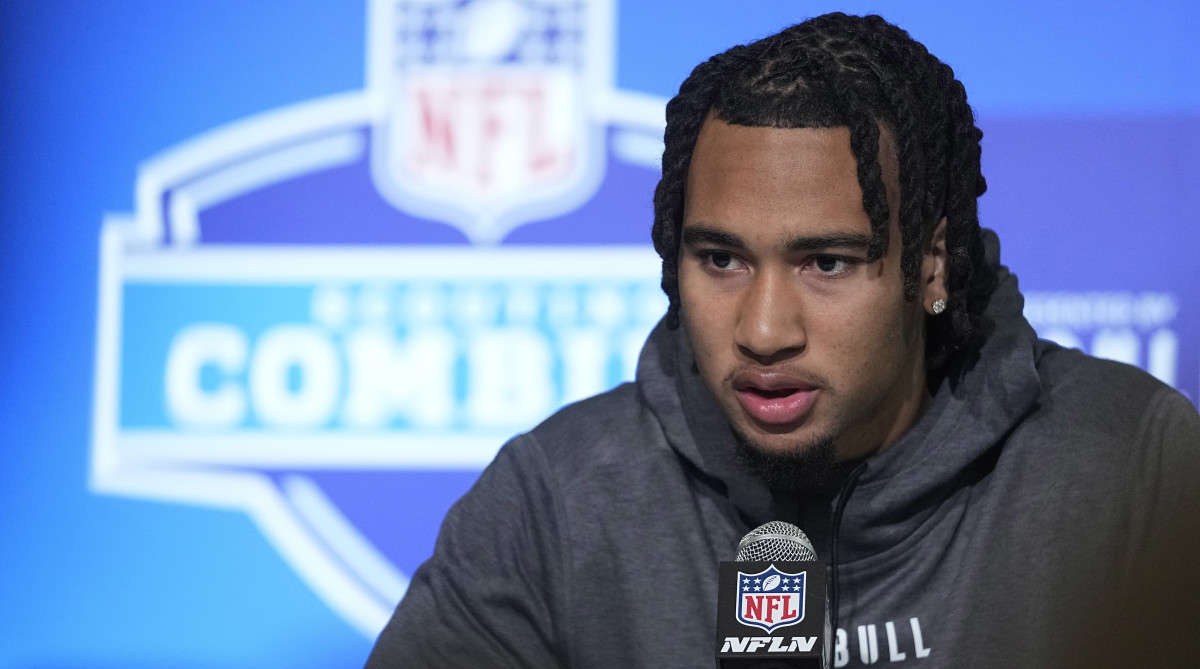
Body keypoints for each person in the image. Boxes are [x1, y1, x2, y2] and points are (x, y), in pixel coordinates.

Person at [365, 13, 1200, 668]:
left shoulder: (1129, 470)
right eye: (721, 258)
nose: (763, 331)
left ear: (933, 264)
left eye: (827, 262)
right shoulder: (559, 500)